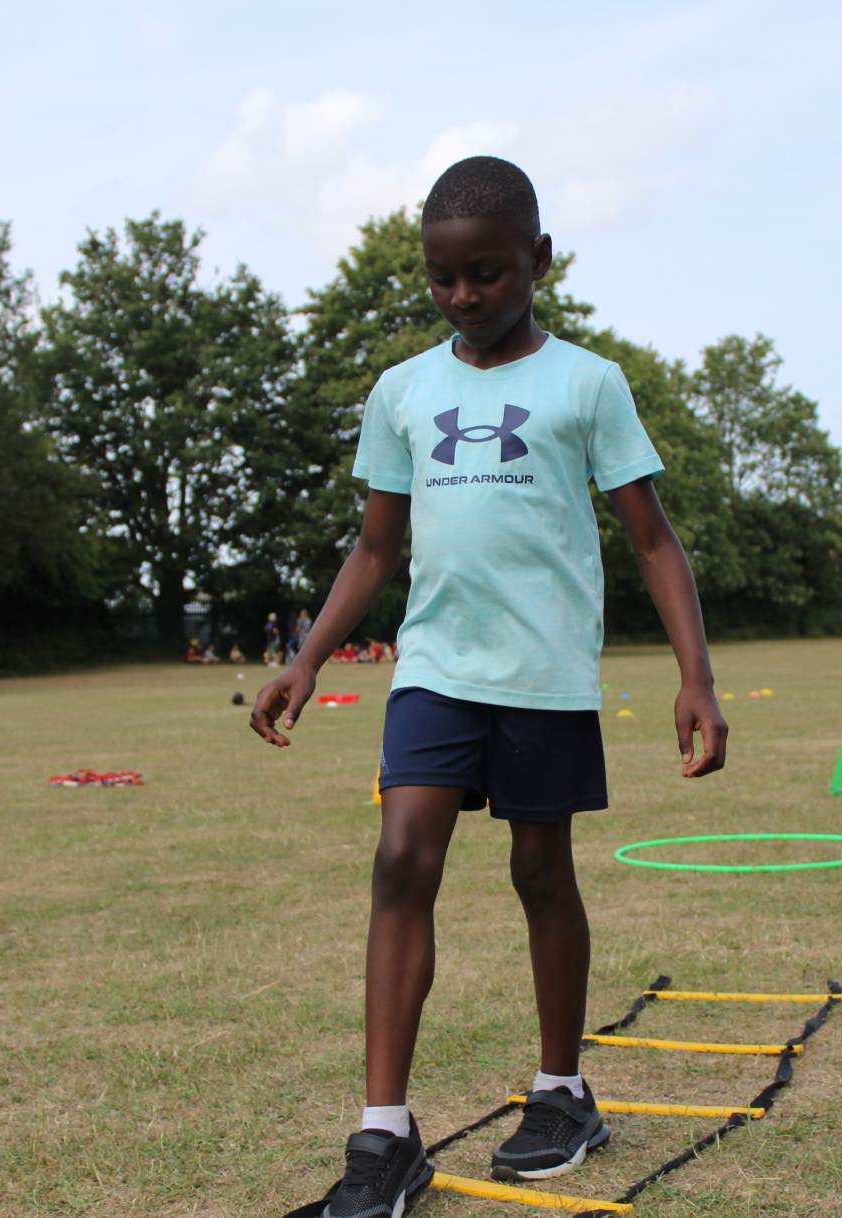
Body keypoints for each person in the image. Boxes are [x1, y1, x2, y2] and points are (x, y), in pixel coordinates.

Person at [251, 155, 727, 1218]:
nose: (464, 296)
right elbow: (376, 549)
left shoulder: (588, 384)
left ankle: (563, 1093)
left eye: (488, 273)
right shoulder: (403, 392)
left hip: (544, 674)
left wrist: (696, 676)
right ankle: (385, 1134)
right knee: (400, 859)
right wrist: (308, 656)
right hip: (435, 668)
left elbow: (653, 540)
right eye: (443, 278)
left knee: (540, 873)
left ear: (539, 260)